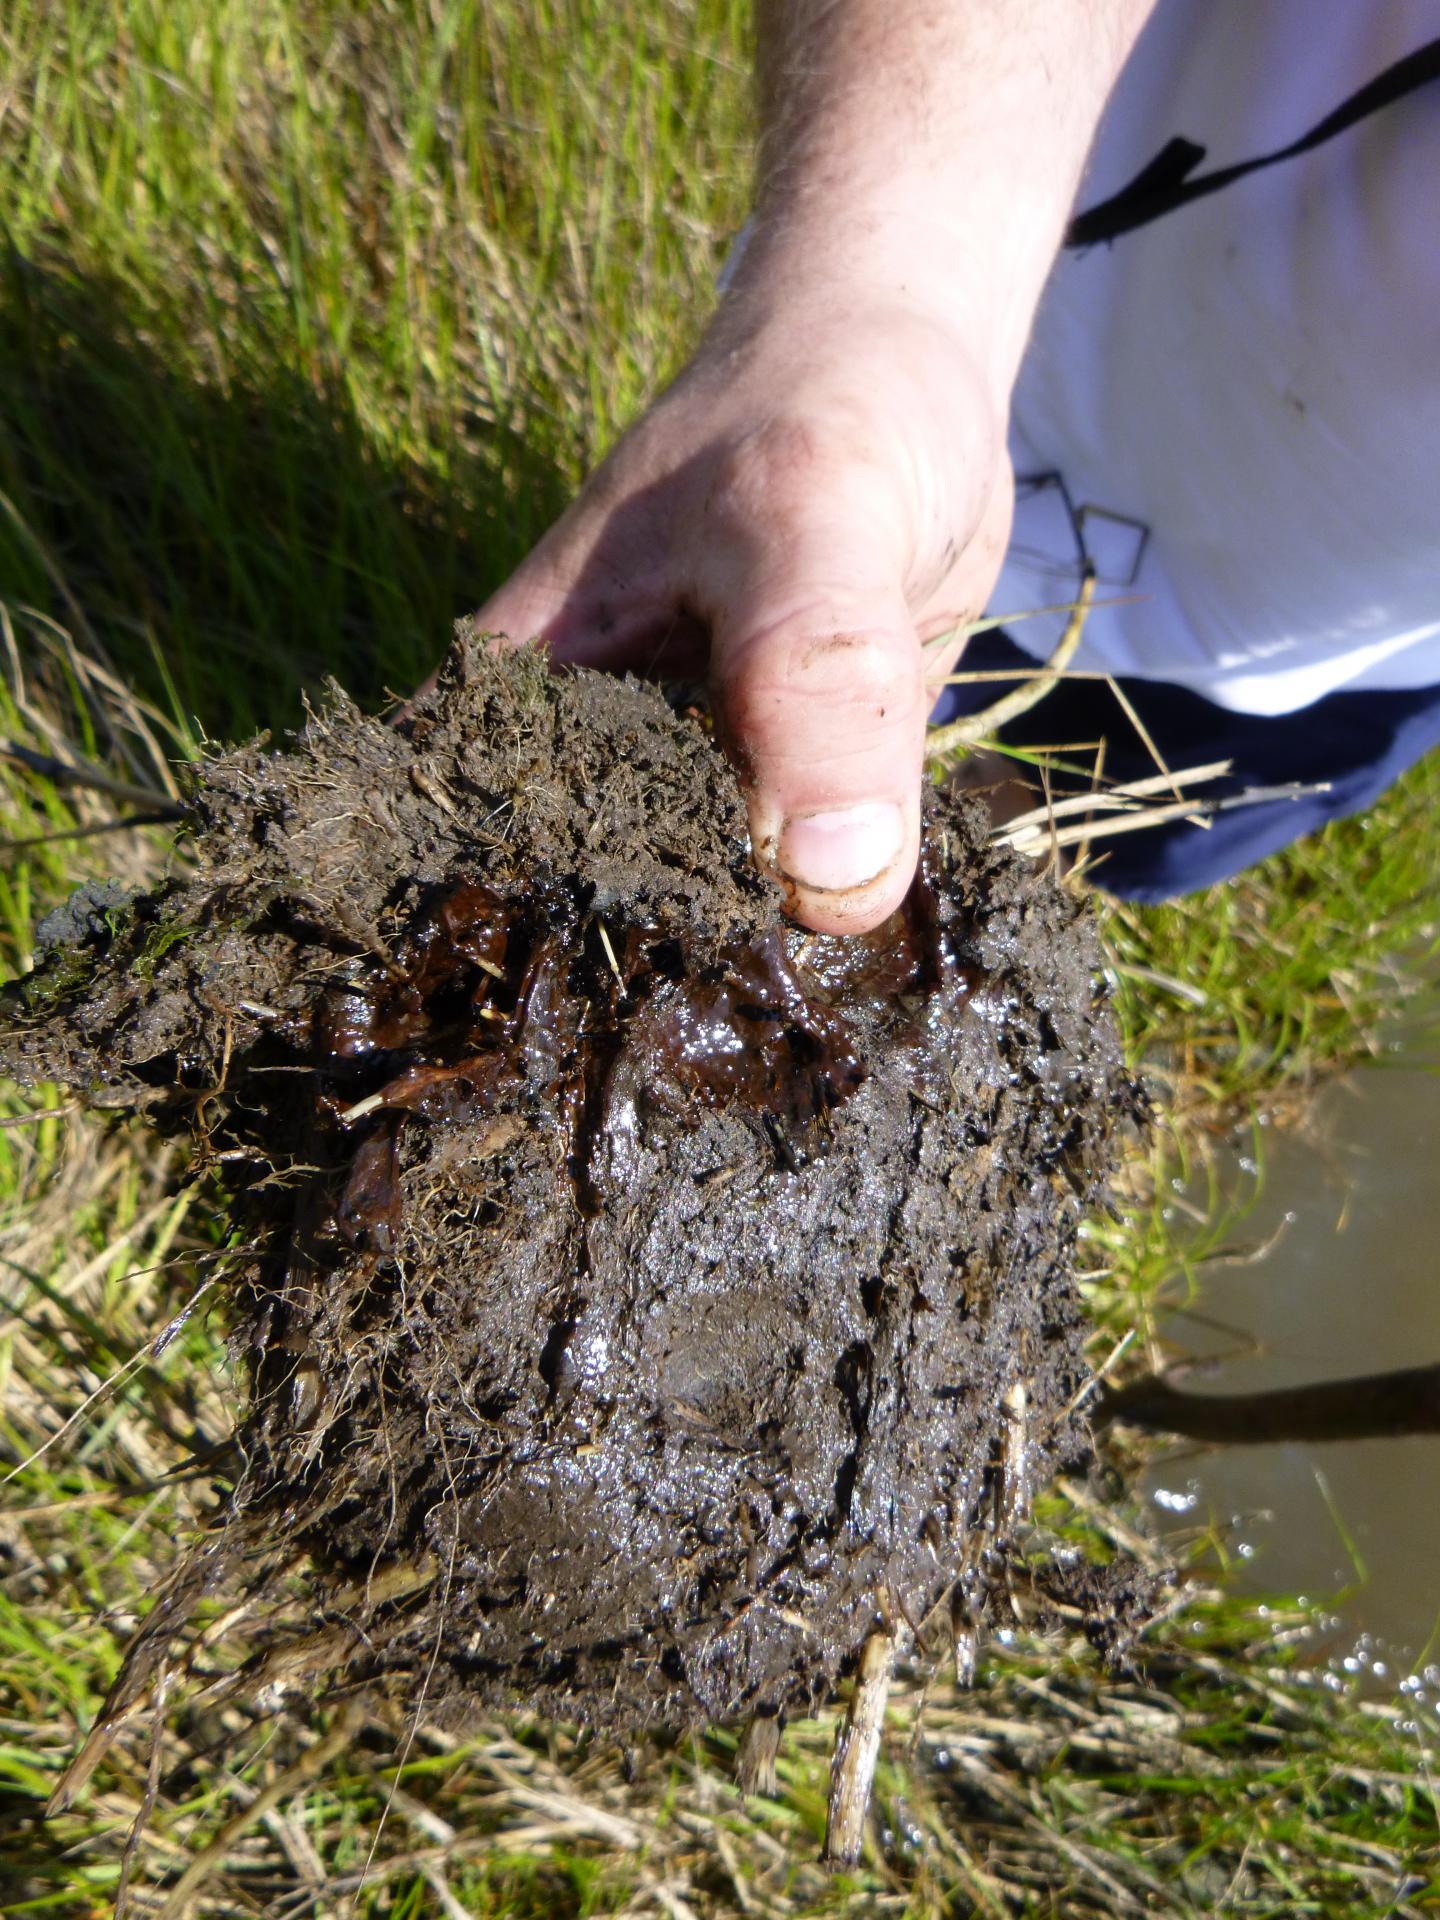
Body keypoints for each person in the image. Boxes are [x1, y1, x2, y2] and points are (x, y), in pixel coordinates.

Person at [467, 1, 1440, 933]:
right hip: (983, 365)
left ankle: (983, 862)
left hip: (1342, 659)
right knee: (777, 711)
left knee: (1139, 822)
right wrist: (886, 295)